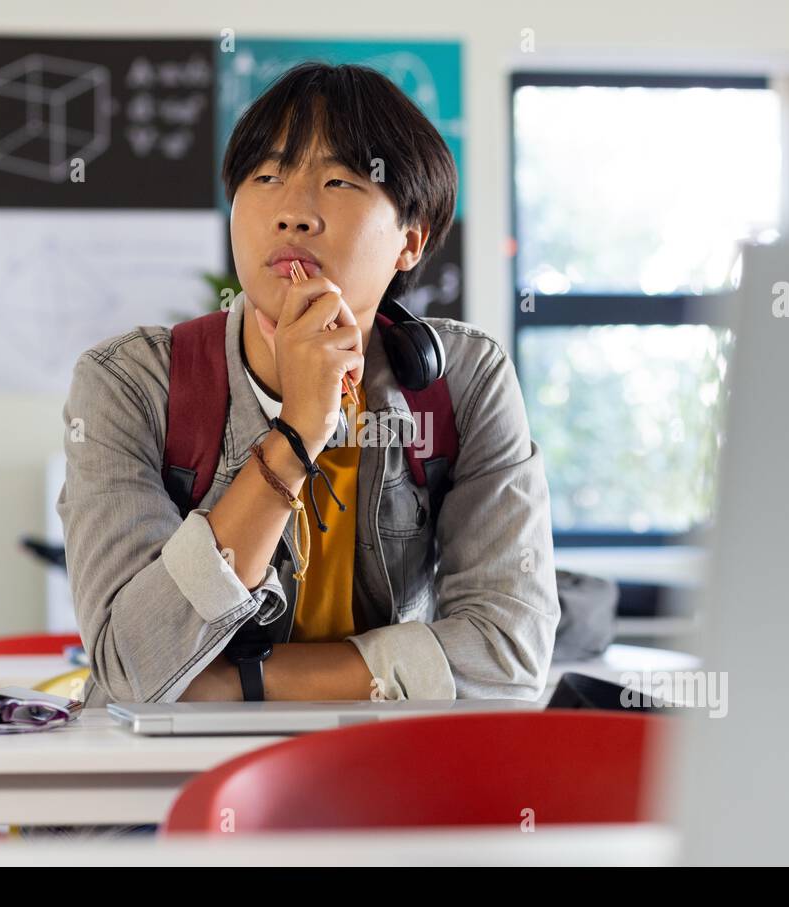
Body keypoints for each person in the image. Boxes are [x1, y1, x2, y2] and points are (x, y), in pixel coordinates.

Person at [57, 61, 559, 705]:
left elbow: (510, 655)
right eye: (265, 176)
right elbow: (131, 665)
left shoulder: (464, 383)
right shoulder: (130, 384)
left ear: (410, 241)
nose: (294, 212)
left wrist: (244, 686)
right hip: (158, 792)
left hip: (367, 783)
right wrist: (297, 434)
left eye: (340, 180)